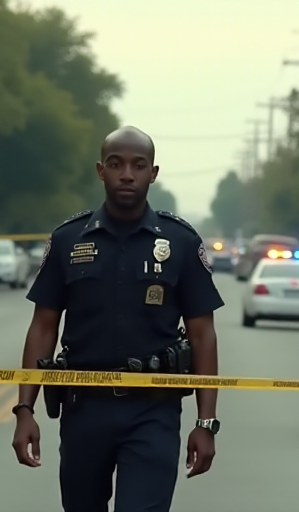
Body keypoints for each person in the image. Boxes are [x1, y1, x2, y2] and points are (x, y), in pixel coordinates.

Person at [11, 126, 225, 512]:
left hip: (153, 411)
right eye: (116, 164)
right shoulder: (68, 240)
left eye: (138, 165)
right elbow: (43, 328)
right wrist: (25, 410)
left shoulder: (179, 243)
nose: (127, 173)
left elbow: (203, 335)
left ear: (153, 173)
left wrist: (206, 422)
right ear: (101, 170)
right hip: (83, 410)